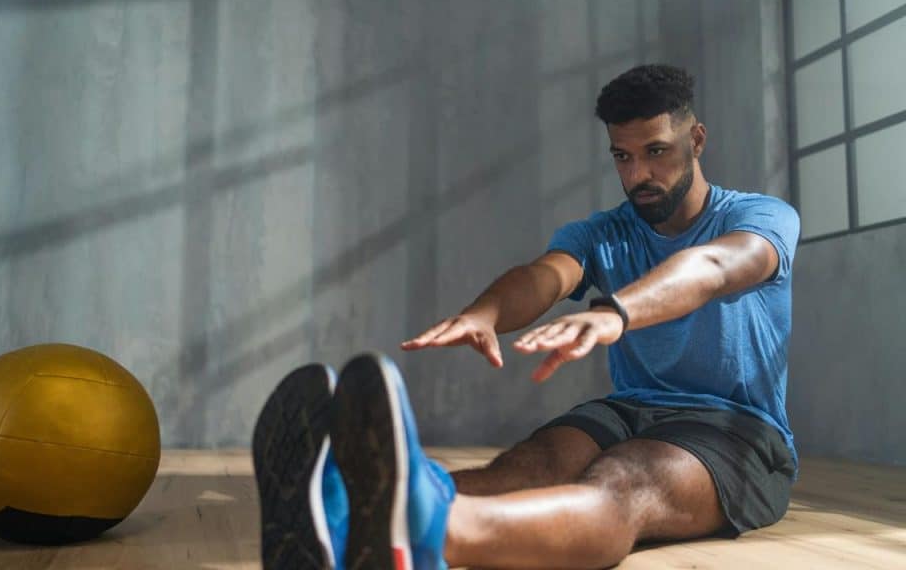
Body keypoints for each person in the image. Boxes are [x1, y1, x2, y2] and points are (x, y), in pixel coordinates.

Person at [253, 63, 800, 569]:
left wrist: (616, 312)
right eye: (622, 157)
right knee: (524, 468)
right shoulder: (606, 230)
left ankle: (432, 531)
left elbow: (713, 268)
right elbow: (548, 274)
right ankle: (339, 523)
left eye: (656, 151)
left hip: (736, 430)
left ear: (696, 139)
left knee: (625, 484)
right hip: (628, 410)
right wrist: (486, 312)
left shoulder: (760, 216)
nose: (639, 175)